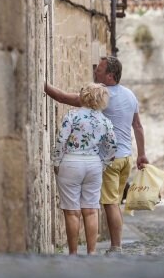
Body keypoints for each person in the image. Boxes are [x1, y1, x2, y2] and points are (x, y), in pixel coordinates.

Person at [45, 56, 148, 255]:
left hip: (109, 160)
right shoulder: (130, 95)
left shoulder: (101, 96)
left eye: (99, 70)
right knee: (112, 202)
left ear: (110, 75)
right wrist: (141, 154)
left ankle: (116, 246)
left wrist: (43, 84)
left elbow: (64, 98)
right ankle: (99, 250)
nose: (95, 72)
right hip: (125, 157)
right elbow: (138, 126)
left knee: (109, 203)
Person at [52, 82, 117, 256]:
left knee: (72, 212)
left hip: (71, 163)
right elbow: (112, 147)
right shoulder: (105, 121)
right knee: (91, 210)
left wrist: (56, 161)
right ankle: (92, 252)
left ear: (84, 95)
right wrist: (103, 164)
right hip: (93, 165)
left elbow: (61, 140)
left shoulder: (72, 116)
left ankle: (73, 253)